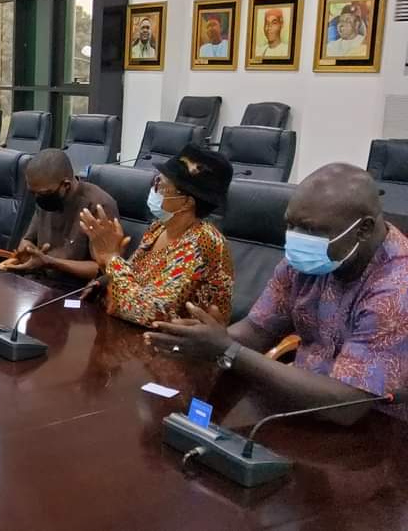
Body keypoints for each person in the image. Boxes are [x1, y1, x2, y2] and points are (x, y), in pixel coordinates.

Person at [144, 164, 408, 425]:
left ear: (363, 229)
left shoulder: (397, 287)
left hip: (378, 434)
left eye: (309, 229)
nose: (296, 238)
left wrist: (228, 350)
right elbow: (257, 331)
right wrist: (201, 342)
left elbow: (347, 406)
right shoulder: (309, 260)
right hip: (299, 408)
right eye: (290, 225)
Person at [79, 144, 234, 326]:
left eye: (162, 185)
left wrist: (112, 258)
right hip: (135, 335)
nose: (154, 189)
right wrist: (105, 276)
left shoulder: (203, 242)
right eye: (156, 182)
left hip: (182, 348)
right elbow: (133, 284)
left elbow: (152, 313)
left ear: (186, 202)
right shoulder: (158, 228)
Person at [0, 150, 118, 286]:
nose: (37, 198)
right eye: (33, 193)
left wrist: (49, 262)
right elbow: (28, 241)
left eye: (42, 193)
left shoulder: (98, 206)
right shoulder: (45, 198)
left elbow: (103, 269)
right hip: (40, 282)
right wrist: (27, 251)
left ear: (66, 185)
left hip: (78, 291)